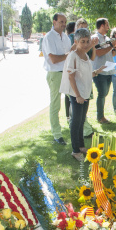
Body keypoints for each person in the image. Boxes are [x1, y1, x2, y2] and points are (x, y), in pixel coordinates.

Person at [59, 28, 103, 162]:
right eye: (82, 42)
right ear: (76, 42)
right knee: (76, 122)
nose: (85, 44)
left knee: (82, 121)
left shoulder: (85, 55)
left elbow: (86, 74)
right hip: (76, 93)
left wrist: (97, 71)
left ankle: (81, 145)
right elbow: (71, 77)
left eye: (87, 41)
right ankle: (75, 150)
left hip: (85, 92)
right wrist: (77, 95)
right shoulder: (73, 55)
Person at [42, 13, 76, 145]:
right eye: (61, 22)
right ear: (54, 22)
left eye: (65, 22)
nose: (64, 24)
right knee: (56, 105)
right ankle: (57, 135)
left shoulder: (66, 37)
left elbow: (69, 55)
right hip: (55, 74)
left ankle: (80, 128)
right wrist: (69, 53)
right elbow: (54, 59)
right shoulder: (49, 37)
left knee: (75, 98)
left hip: (67, 72)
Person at [92, 18, 116, 124]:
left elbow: (112, 54)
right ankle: (100, 117)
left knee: (105, 92)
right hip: (99, 70)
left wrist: (115, 48)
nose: (108, 27)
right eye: (107, 25)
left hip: (109, 70)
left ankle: (101, 116)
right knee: (102, 93)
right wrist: (111, 45)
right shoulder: (95, 38)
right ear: (102, 25)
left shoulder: (107, 38)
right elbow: (98, 53)